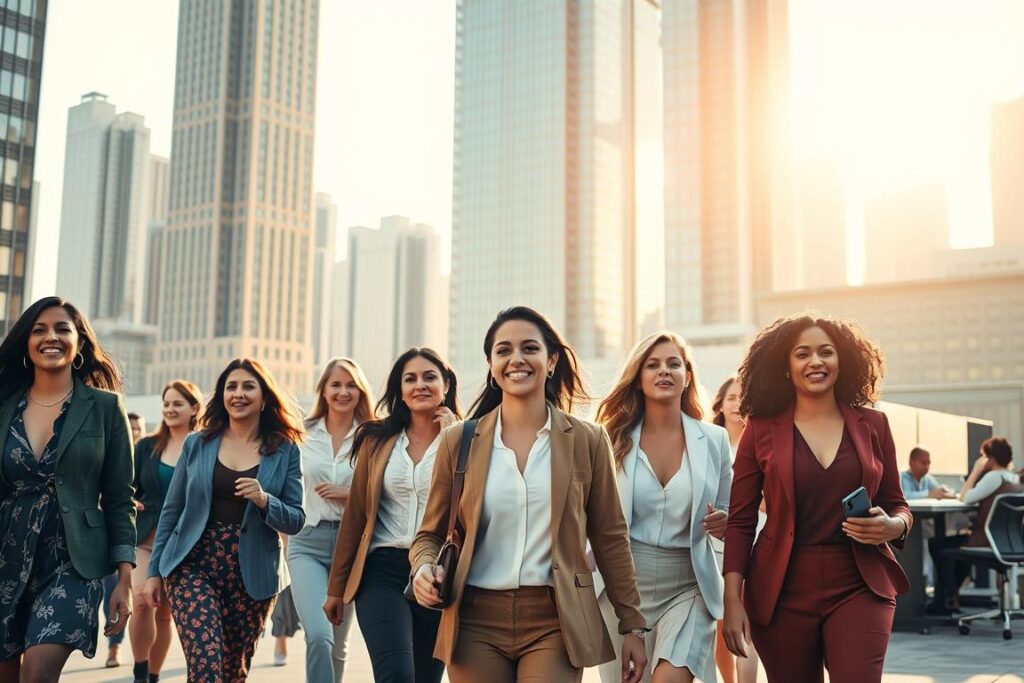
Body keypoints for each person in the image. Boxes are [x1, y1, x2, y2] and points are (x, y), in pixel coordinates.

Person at [410, 306, 648, 683]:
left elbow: (610, 539)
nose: (516, 359)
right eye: (503, 350)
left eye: (529, 348)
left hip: (557, 619)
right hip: (474, 620)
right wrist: (423, 568)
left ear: (551, 360)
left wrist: (632, 626)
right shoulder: (460, 440)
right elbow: (429, 534)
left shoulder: (588, 440)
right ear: (491, 364)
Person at [722, 313, 912, 683]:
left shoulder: (874, 425)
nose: (816, 362)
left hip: (860, 581)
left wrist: (894, 525)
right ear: (785, 365)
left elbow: (897, 502)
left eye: (826, 352)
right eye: (802, 354)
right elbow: (741, 521)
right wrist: (732, 599)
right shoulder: (760, 430)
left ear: (843, 360)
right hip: (781, 588)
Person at [143, 358, 305, 681]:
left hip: (253, 573)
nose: (238, 393)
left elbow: (296, 519)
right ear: (222, 396)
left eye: (248, 386)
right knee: (205, 666)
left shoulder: (284, 450)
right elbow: (172, 511)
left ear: (264, 398)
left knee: (232, 671)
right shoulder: (197, 443)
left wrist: (264, 500)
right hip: (193, 563)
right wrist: (154, 571)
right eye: (231, 386)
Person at [0, 296, 135, 682]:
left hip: (73, 561)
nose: (51, 337)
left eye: (62, 329)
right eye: (39, 330)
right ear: (26, 343)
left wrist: (124, 581)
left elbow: (119, 496)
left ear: (79, 343)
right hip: (6, 552)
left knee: (39, 673)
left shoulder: (106, 407)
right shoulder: (4, 406)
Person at [593, 331, 731, 683]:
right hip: (623, 590)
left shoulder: (713, 440)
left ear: (687, 376)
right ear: (638, 379)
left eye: (674, 364)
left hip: (690, 586)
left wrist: (725, 522)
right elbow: (587, 515)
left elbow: (731, 513)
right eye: (652, 365)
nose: (663, 371)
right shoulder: (610, 439)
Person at [325, 348, 460, 682]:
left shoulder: (467, 438)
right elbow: (356, 516)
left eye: (430, 377)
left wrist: (452, 439)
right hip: (381, 570)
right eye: (410, 378)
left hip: (438, 574)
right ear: (399, 390)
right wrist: (336, 588)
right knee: (396, 674)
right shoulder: (377, 439)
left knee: (426, 677)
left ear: (446, 385)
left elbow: (471, 504)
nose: (420, 385)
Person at [289, 357, 374, 682]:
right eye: (335, 384)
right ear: (323, 390)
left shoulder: (372, 436)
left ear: (360, 390)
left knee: (338, 645)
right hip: (307, 543)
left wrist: (348, 494)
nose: (343, 391)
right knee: (319, 637)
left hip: (353, 547)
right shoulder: (301, 434)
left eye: (351, 384)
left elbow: (388, 495)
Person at [129, 380, 202, 683]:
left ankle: (154, 675)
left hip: (183, 545)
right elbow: (126, 485)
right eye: (167, 404)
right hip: (145, 540)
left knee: (164, 613)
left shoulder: (203, 446)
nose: (170, 410)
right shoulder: (146, 446)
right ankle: (139, 669)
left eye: (177, 404)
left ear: (194, 408)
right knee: (143, 601)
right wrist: (129, 499)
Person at [929, 437, 1023, 613]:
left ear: (991, 459)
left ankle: (949, 595)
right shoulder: (1015, 478)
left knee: (937, 543)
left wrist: (975, 470)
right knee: (956, 544)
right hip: (1010, 544)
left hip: (986, 542)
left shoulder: (994, 477)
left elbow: (966, 497)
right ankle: (951, 595)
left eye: (983, 456)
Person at [709, 375, 761, 683]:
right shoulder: (709, 441)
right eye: (730, 397)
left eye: (742, 397)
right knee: (719, 628)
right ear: (720, 403)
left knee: (745, 625)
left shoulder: (762, 441)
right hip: (714, 546)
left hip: (753, 541)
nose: (736, 403)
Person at [103, 413, 146, 667]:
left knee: (138, 598)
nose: (135, 432)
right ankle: (114, 646)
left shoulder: (147, 454)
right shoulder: (111, 451)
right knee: (112, 591)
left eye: (138, 428)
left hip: (143, 537)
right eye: (131, 428)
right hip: (112, 536)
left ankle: (128, 652)